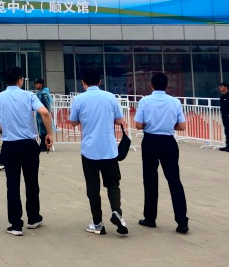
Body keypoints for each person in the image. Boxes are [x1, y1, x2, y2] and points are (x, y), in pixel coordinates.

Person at [0, 66, 52, 236]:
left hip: (10, 146)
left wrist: (2, 129)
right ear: (20, 80)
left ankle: (16, 224)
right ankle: (33, 218)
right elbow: (44, 112)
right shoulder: (29, 95)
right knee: (31, 182)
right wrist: (49, 133)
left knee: (12, 185)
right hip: (29, 145)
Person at [69, 66, 127, 236]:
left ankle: (97, 223)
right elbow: (119, 120)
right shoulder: (110, 97)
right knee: (113, 184)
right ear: (100, 81)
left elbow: (73, 122)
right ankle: (116, 212)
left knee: (93, 187)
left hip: (89, 150)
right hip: (109, 149)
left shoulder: (79, 99)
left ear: (83, 83)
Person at [135, 72, 189, 234]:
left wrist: (151, 125)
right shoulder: (175, 102)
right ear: (167, 85)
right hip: (168, 142)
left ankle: (150, 217)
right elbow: (182, 126)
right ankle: (182, 221)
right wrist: (168, 125)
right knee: (174, 180)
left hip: (150, 141)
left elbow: (138, 125)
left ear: (151, 85)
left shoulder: (145, 101)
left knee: (150, 180)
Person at [33, 79, 53, 153]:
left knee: (44, 129)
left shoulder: (44, 93)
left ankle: (45, 145)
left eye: (37, 83)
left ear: (41, 84)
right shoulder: (39, 92)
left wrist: (47, 112)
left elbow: (47, 104)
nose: (36, 85)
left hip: (43, 113)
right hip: (39, 114)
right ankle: (42, 144)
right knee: (40, 129)